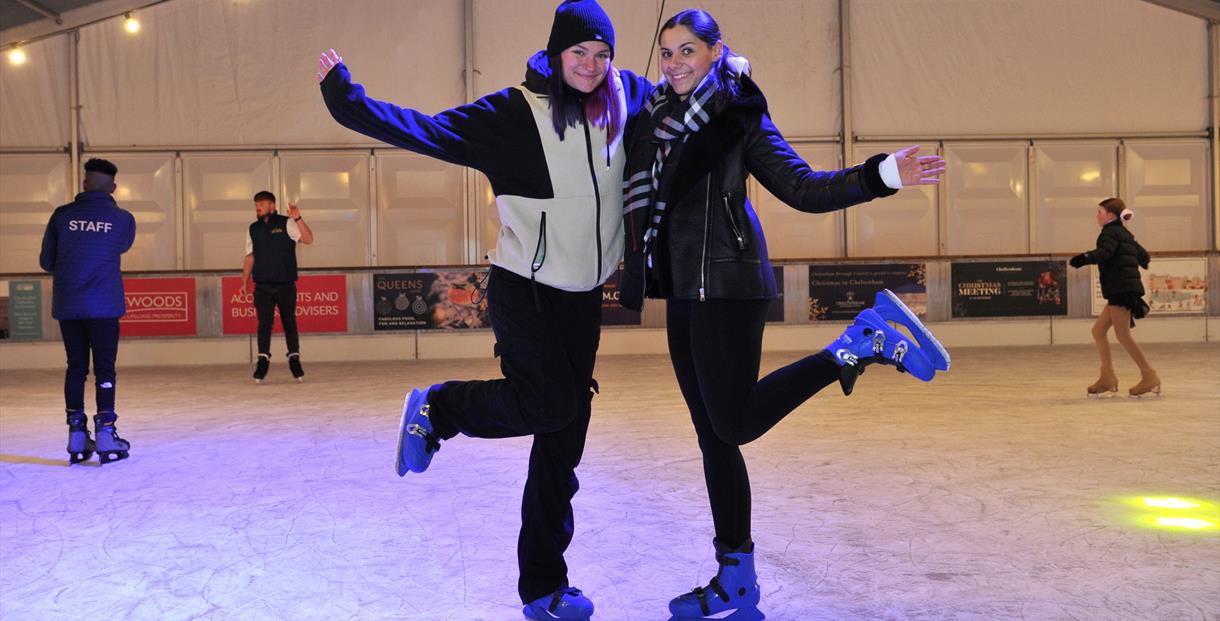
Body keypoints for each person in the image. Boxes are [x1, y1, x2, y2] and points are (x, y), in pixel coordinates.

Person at [317, 1, 652, 618]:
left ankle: (544, 589)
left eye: (603, 54)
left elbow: (685, 110)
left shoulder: (625, 96)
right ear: (556, 53)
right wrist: (347, 100)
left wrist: (727, 71)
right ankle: (440, 407)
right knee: (549, 405)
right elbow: (428, 131)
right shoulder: (513, 113)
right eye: (579, 52)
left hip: (583, 299)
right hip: (524, 286)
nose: (591, 65)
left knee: (562, 442)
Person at [619, 10, 950, 620]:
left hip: (731, 287)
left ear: (718, 52)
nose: (675, 63)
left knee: (735, 425)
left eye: (688, 50)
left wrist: (883, 175)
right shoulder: (653, 119)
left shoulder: (740, 115)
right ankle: (735, 581)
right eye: (666, 53)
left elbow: (804, 187)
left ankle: (855, 346)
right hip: (683, 295)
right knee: (715, 439)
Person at [39, 158, 137, 465]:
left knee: (76, 367)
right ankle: (106, 431)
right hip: (104, 305)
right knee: (105, 368)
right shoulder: (122, 219)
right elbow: (120, 246)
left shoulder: (61, 216)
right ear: (113, 187)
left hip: (69, 304)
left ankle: (76, 433)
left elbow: (46, 261)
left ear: (84, 184)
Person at [1069, 197, 1158, 398]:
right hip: (1123, 288)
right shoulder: (1125, 233)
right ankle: (1107, 377)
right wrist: (1136, 260)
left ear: (1110, 215)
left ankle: (1149, 375)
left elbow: (1105, 252)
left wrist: (1083, 258)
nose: (1097, 216)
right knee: (1098, 331)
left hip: (1121, 290)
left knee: (1123, 335)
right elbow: (1143, 256)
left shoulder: (1109, 233)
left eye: (1100, 212)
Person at [240, 191, 314, 383]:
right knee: (264, 325)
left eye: (262, 204)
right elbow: (250, 255)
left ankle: (294, 360)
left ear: (272, 206)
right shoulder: (253, 228)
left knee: (290, 322)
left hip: (285, 284)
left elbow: (308, 239)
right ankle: (262, 362)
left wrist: (298, 218)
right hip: (262, 285)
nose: (258, 207)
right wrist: (244, 279)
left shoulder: (286, 223)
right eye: (256, 204)